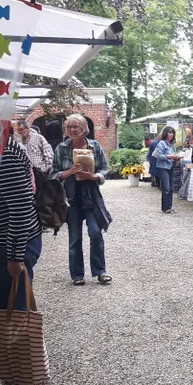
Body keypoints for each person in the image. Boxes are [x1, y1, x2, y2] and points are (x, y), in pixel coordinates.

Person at [0, 124, 45, 385]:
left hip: (9, 244)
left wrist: (15, 257)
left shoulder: (3, 156)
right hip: (6, 242)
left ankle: (22, 381)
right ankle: (19, 377)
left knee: (14, 312)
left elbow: (20, 209)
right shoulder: (1, 150)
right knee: (12, 309)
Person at [51, 114, 113, 286]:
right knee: (75, 238)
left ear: (83, 128)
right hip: (70, 198)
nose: (72, 130)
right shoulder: (62, 148)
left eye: (76, 126)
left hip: (91, 196)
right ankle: (77, 274)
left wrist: (93, 176)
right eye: (69, 127)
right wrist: (69, 172)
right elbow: (53, 174)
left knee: (95, 232)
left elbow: (104, 170)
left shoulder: (95, 146)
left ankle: (100, 272)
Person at [154, 126, 178, 213]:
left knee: (171, 188)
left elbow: (174, 154)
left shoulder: (172, 145)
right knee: (166, 187)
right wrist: (170, 156)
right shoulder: (161, 143)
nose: (171, 134)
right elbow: (159, 156)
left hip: (170, 167)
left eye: (172, 133)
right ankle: (165, 207)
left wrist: (176, 157)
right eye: (169, 132)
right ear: (166, 133)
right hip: (163, 167)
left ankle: (169, 206)